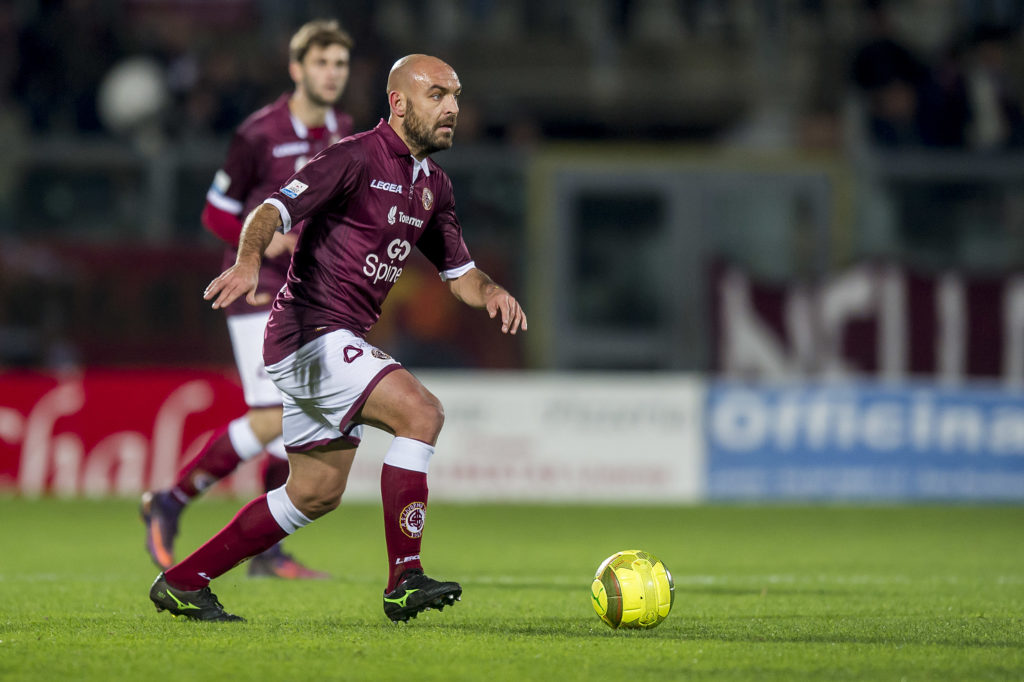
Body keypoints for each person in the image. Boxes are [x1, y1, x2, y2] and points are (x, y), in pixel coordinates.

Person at [148, 54, 527, 623]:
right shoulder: (354, 157)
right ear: (398, 103)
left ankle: (183, 582)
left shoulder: (434, 186)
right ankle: (405, 580)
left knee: (314, 494)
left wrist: (491, 291)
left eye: (455, 96)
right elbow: (269, 210)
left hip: (328, 340)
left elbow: (460, 273)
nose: (451, 108)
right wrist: (248, 262)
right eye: (437, 95)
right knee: (421, 413)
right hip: (310, 331)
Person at [140, 19, 354, 580]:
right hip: (256, 288)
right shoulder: (259, 133)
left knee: (298, 415)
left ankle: (267, 553)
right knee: (271, 416)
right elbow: (215, 213)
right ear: (297, 68)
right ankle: (172, 500)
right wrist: (262, 243)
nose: (331, 74)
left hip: (308, 295)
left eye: (339, 64)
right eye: (321, 62)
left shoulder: (344, 130)